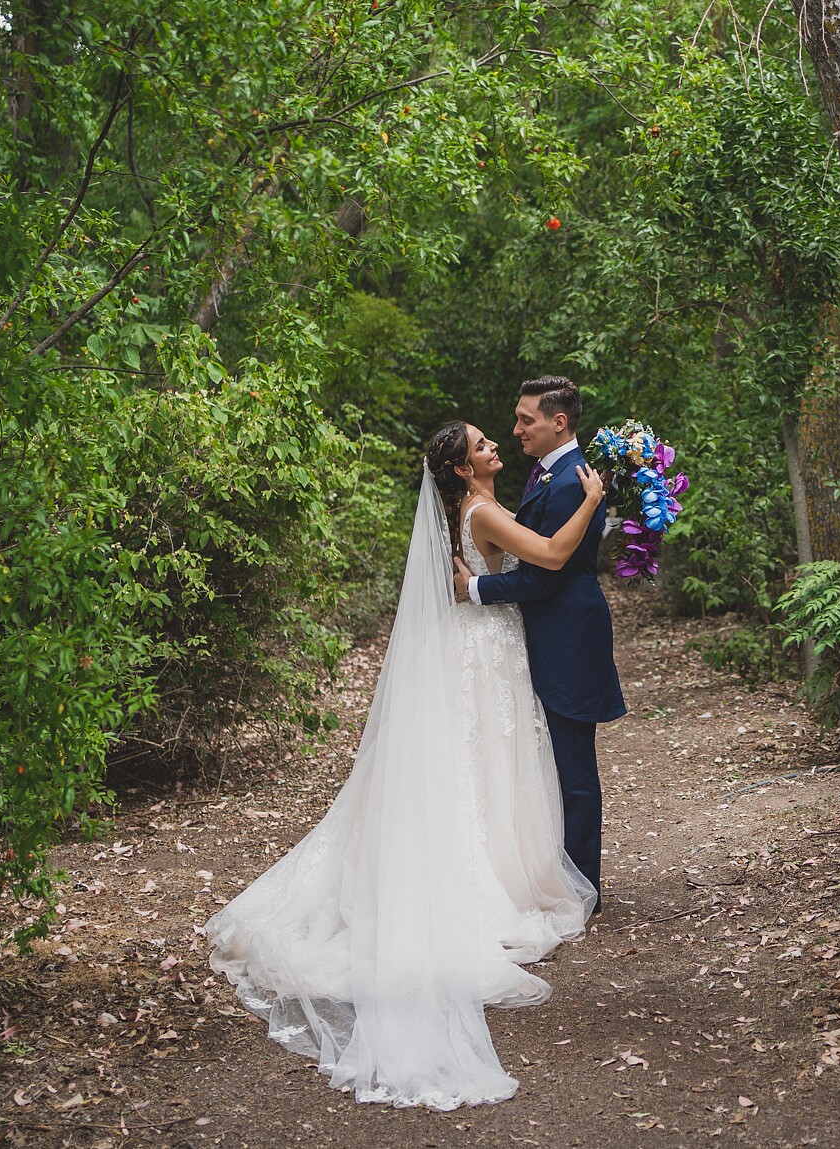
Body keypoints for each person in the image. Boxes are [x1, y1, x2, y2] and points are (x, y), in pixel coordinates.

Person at [202, 420, 606, 1109]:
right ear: (459, 470)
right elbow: (553, 554)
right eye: (482, 445)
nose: (495, 448)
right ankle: (488, 876)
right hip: (483, 651)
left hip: (479, 647)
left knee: (479, 769)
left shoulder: (468, 511)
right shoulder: (482, 510)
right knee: (483, 767)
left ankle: (496, 863)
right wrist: (594, 500)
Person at [452, 375, 628, 903]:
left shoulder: (573, 482)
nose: (516, 429)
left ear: (559, 422)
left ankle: (583, 889)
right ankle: (558, 875)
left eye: (526, 420)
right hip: (543, 636)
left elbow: (546, 572)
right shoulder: (548, 475)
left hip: (569, 636)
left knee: (574, 771)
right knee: (547, 765)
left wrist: (476, 587)